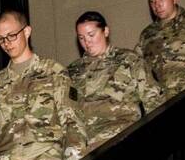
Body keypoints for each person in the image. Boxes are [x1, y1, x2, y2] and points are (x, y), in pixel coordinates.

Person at [0, 7, 88, 160]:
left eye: (12, 35)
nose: (7, 43)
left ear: (27, 31)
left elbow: (73, 125)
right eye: (1, 39)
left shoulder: (53, 72)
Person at [67, 11, 166, 149]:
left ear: (105, 31)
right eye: (81, 38)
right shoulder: (72, 71)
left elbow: (154, 100)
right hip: (85, 149)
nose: (87, 42)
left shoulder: (129, 59)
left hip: (122, 141)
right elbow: (68, 115)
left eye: (91, 35)